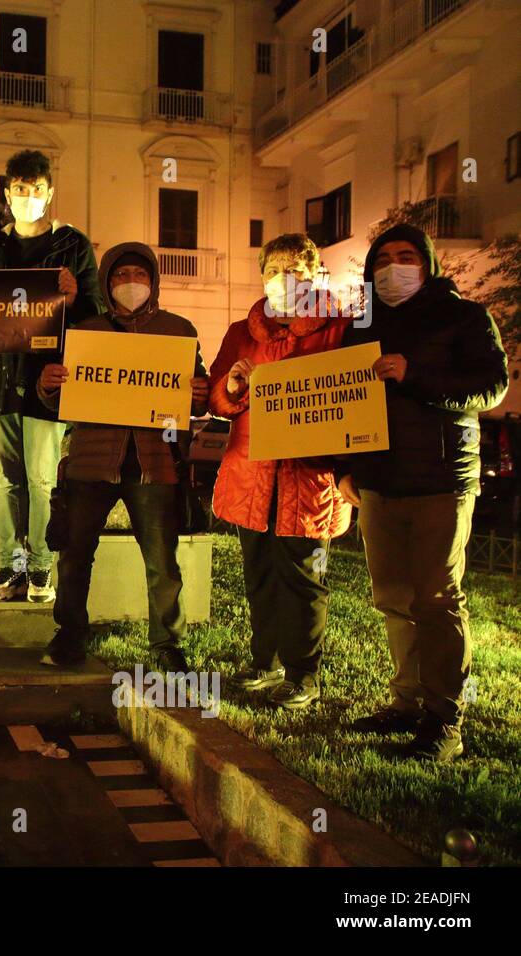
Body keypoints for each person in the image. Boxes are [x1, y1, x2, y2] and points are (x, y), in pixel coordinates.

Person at [339, 223, 509, 759]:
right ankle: (406, 700)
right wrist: (345, 467)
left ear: (428, 262)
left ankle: (444, 720)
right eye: (383, 258)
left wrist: (415, 374)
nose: (393, 266)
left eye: (406, 255)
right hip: (379, 483)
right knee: (392, 597)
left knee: (437, 598)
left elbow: (490, 388)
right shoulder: (362, 325)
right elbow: (342, 399)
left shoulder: (465, 316)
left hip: (440, 480)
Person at [36, 243, 208, 671]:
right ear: (107, 282)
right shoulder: (86, 333)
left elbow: (198, 392)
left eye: (138, 274)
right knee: (75, 555)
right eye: (119, 275)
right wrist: (48, 384)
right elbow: (57, 401)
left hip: (156, 464)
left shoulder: (179, 330)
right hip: (91, 462)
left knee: (162, 561)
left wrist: (200, 392)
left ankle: (167, 644)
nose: (129, 283)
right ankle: (70, 635)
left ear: (153, 282)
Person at [0, 149, 104, 603]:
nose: (27, 198)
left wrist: (73, 301)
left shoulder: (73, 245)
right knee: (3, 479)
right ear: (7, 193)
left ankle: (40, 569)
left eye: (36, 190)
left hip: (46, 381)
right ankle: (9, 565)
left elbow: (96, 315)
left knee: (40, 478)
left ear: (49, 193)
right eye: (19, 190)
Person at [207, 233, 353, 710]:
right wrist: (232, 386)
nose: (284, 281)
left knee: (305, 580)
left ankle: (303, 673)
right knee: (260, 576)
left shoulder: (342, 330)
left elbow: (355, 401)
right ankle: (263, 660)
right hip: (252, 478)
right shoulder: (240, 333)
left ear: (314, 278)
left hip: (308, 482)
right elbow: (217, 401)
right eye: (275, 271)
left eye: (296, 272)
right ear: (263, 277)